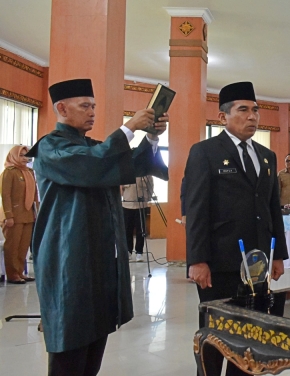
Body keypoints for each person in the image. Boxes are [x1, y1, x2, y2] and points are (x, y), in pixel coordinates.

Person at [27, 78, 169, 376]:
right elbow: (93, 166)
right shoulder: (51, 147)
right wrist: (129, 127)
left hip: (98, 254)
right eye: (85, 106)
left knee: (95, 335)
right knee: (71, 339)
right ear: (62, 108)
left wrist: (152, 138)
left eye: (93, 106)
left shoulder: (92, 146)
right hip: (68, 255)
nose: (92, 112)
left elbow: (129, 164)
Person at [184, 81, 288, 376]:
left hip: (256, 265)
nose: (252, 116)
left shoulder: (266, 157)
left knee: (250, 335)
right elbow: (196, 209)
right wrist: (197, 260)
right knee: (217, 334)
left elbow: (272, 209)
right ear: (223, 117)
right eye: (243, 110)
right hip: (219, 261)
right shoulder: (205, 152)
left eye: (255, 110)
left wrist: (278, 254)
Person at [1, 145, 38, 284]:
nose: (25, 158)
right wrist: (8, 215)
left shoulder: (30, 172)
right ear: (14, 156)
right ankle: (12, 274)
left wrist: (37, 212)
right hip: (14, 216)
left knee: (23, 246)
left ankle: (20, 272)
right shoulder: (9, 172)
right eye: (21, 155)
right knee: (12, 246)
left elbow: (35, 194)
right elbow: (5, 195)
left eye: (26, 155)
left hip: (28, 214)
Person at [121, 175, 153, 262]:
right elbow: (120, 187)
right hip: (127, 204)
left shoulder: (145, 171)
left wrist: (148, 198)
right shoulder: (126, 170)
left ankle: (139, 252)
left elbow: (150, 186)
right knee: (127, 229)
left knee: (141, 230)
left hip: (141, 205)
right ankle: (128, 251)